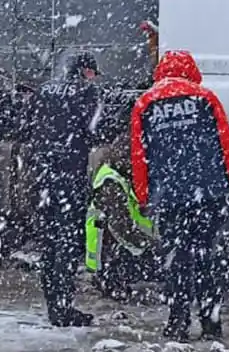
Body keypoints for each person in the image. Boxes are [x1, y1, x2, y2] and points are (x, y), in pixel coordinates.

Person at [131, 50, 229, 340]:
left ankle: (177, 322)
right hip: (207, 193)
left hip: (168, 197)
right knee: (207, 257)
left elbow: (139, 157)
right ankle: (210, 322)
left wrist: (144, 197)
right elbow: (226, 145)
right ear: (190, 69)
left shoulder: (145, 104)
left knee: (176, 259)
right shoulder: (206, 98)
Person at [31, 55, 104, 327]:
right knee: (69, 240)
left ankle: (53, 305)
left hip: (43, 174)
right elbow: (96, 129)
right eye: (93, 74)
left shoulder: (44, 89)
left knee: (49, 240)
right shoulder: (87, 92)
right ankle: (63, 308)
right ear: (86, 72)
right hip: (70, 173)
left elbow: (25, 125)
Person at [85, 136, 158, 301]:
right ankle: (111, 282)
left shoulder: (118, 175)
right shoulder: (111, 182)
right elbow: (120, 228)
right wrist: (150, 247)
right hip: (108, 257)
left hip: (116, 252)